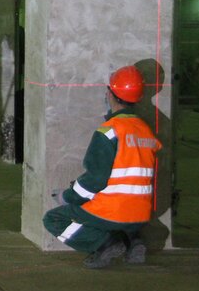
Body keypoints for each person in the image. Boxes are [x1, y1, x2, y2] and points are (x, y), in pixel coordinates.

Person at [43, 66, 162, 269]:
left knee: (53, 219)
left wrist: (69, 196)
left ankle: (105, 244)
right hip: (141, 214)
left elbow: (96, 179)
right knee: (121, 216)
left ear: (110, 95)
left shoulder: (109, 132)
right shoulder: (145, 130)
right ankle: (133, 241)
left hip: (113, 211)